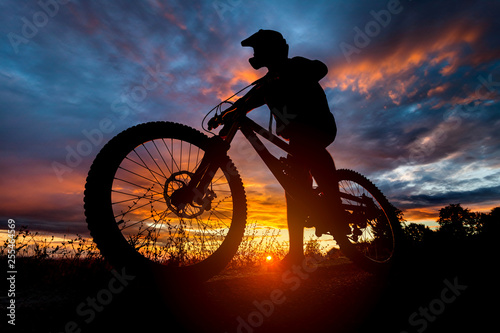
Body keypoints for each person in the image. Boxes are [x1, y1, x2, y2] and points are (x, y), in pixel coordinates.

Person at [215, 30, 342, 265]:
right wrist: (225, 115)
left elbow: (320, 68)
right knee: (293, 188)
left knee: (310, 150)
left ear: (272, 50)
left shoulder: (295, 65)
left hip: (319, 126)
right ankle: (296, 253)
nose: (254, 55)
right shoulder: (266, 84)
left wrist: (289, 75)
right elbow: (245, 102)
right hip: (296, 139)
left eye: (258, 49)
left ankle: (335, 208)